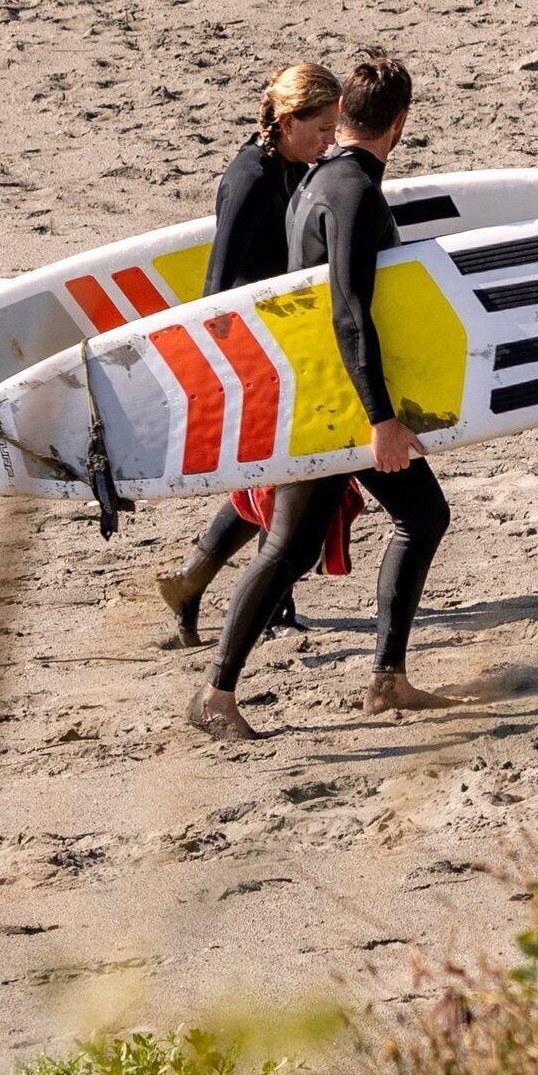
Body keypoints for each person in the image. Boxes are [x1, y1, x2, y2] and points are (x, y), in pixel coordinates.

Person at [191, 51, 455, 741]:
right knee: (297, 546)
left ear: (342, 115)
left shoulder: (317, 180)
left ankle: (387, 681)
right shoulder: (354, 193)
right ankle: (217, 695)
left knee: (404, 519)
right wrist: (381, 420)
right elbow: (348, 311)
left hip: (320, 390)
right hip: (334, 402)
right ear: (398, 125)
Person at [156, 61, 345, 647]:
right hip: (255, 348)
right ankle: (241, 593)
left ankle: (201, 583)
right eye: (322, 128)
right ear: (287, 123)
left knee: (286, 476)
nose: (330, 141)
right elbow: (218, 281)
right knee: (288, 474)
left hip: (285, 339)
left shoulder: (290, 167)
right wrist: (232, 365)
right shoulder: (252, 179)